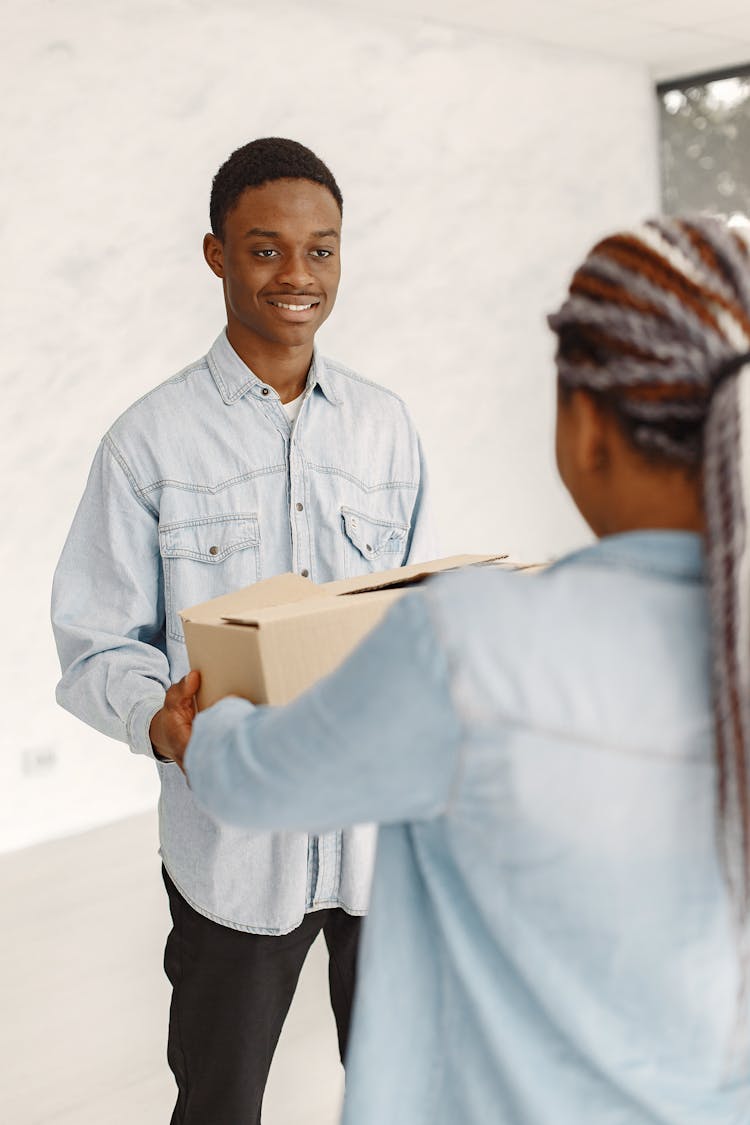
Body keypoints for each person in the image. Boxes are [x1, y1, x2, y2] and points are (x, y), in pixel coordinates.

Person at [165, 214, 750, 1124]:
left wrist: (205, 718)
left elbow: (252, 777)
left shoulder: (472, 646)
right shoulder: (150, 438)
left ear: (586, 426)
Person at [51, 137, 435, 1125]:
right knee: (219, 1105)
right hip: (232, 853)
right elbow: (97, 642)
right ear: (217, 253)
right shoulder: (148, 442)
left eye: (322, 250)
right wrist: (160, 721)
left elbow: (411, 612)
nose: (297, 276)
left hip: (375, 849)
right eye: (266, 250)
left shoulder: (388, 429)